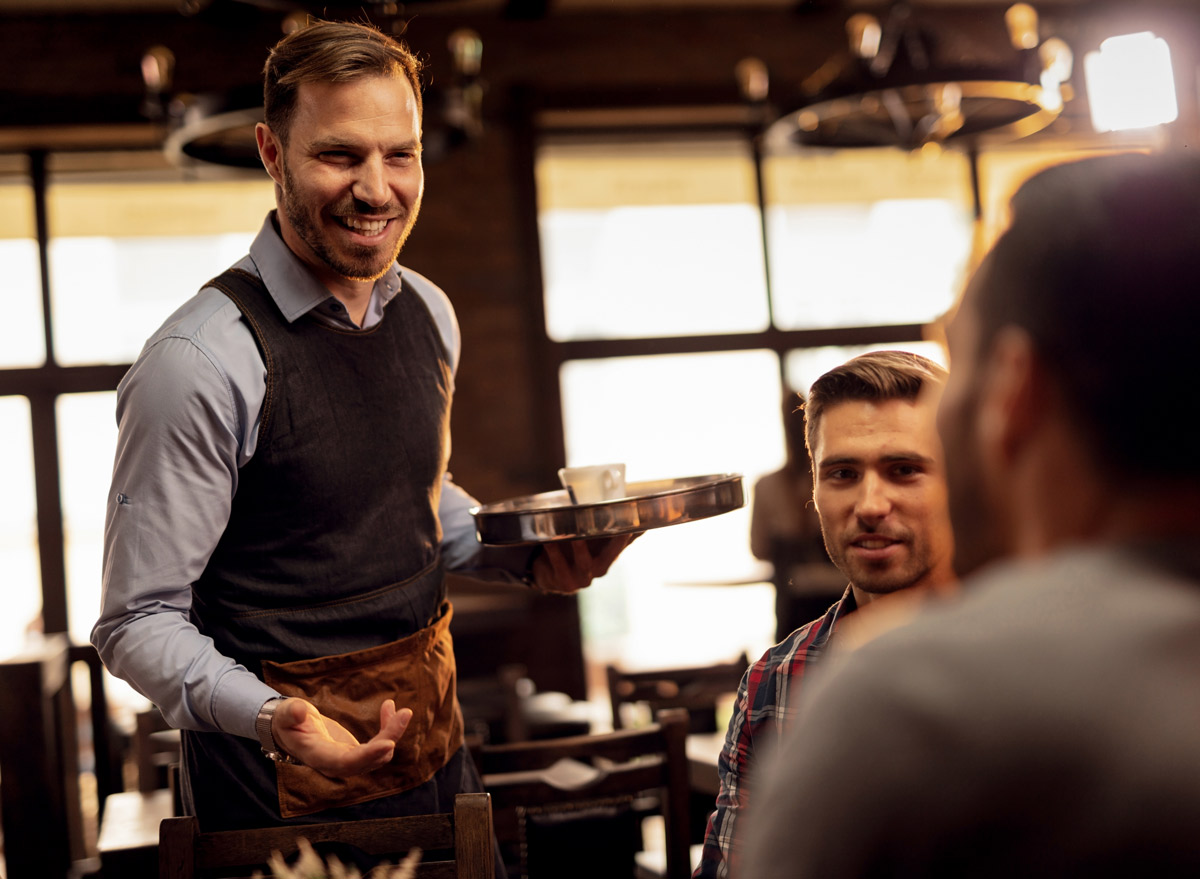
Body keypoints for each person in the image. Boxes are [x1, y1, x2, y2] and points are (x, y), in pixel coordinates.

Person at [92, 19, 629, 839]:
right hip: (274, 798)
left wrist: (531, 554)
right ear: (273, 153)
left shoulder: (431, 312)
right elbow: (136, 623)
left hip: (438, 762)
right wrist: (278, 717)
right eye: (340, 155)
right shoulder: (197, 361)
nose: (376, 189)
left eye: (400, 154)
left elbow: (417, 499)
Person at [742, 151, 1200, 878]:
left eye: (960, 351)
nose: (871, 502)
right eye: (843, 472)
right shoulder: (791, 672)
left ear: (1012, 388)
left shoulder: (912, 694)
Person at [694, 350, 956, 879]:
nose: (870, 504)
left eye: (904, 470)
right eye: (842, 473)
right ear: (813, 489)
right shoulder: (774, 680)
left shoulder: (1035, 664)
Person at [749, 391, 844, 642]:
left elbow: (758, 548)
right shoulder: (839, 477)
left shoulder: (767, 486)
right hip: (840, 601)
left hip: (795, 608)